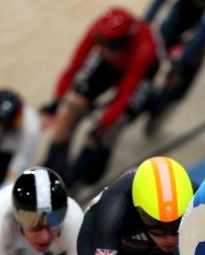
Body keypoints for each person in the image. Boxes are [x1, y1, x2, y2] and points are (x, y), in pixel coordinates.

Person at [42, 7, 159, 187]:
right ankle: (51, 165)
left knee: (111, 127)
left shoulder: (144, 49)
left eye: (109, 46)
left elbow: (124, 96)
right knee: (73, 106)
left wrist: (101, 128)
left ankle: (93, 160)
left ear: (123, 43)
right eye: (100, 44)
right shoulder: (99, 32)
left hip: (139, 73)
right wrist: (59, 99)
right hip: (111, 65)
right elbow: (73, 67)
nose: (102, 50)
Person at [143, 0, 205, 123]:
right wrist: (144, 24)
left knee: (191, 58)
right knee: (159, 43)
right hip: (186, 10)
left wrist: (183, 62)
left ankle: (171, 98)